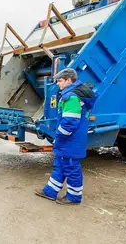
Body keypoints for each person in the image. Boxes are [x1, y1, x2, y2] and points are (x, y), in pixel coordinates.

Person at [35, 68, 96, 205]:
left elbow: (69, 123)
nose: (58, 84)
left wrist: (59, 136)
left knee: (71, 167)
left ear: (69, 80)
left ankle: (74, 197)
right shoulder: (73, 94)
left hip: (70, 140)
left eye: (60, 81)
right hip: (71, 140)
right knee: (61, 164)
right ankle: (50, 191)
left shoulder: (71, 97)